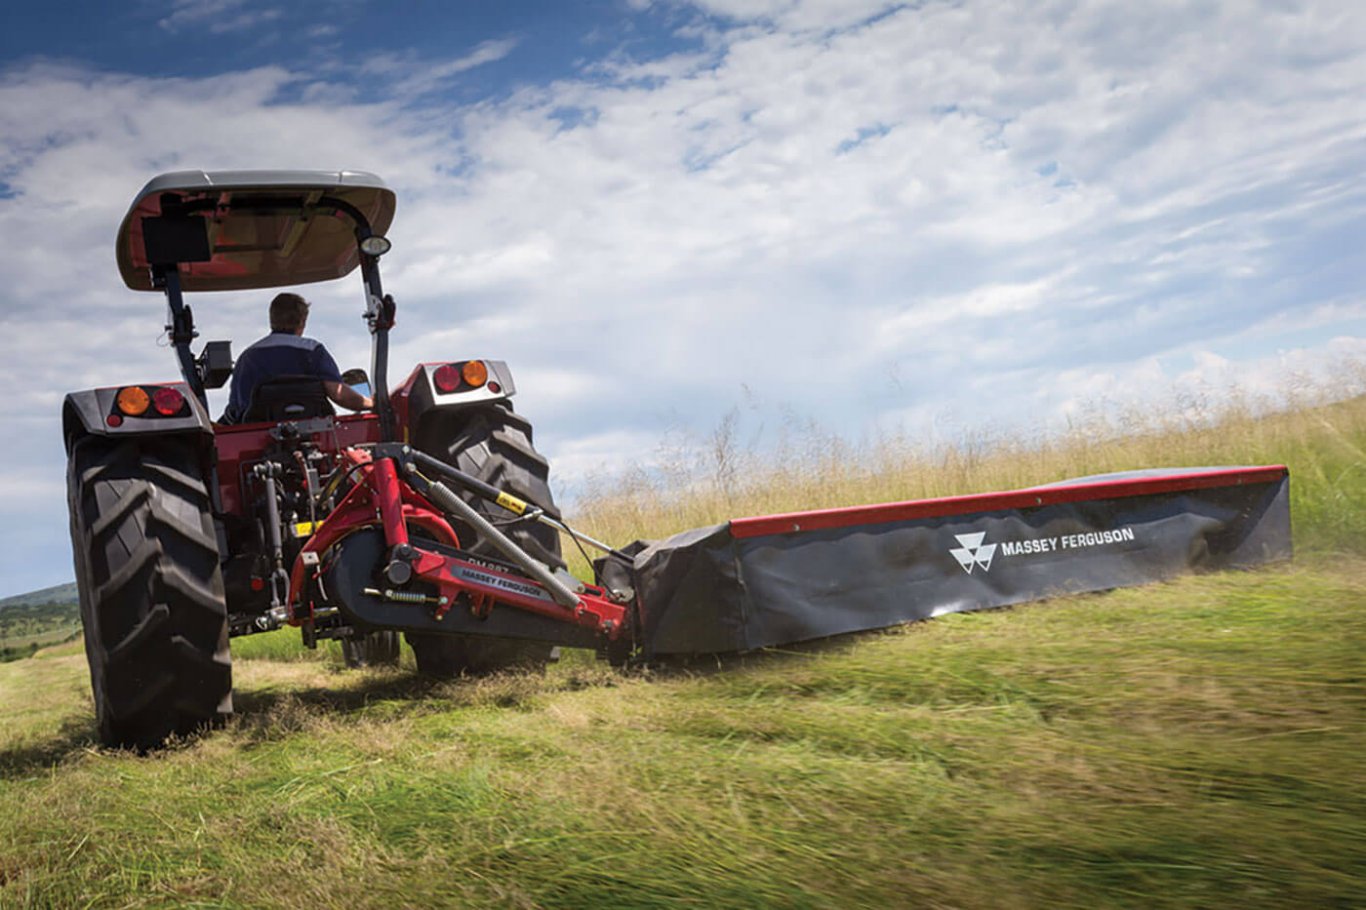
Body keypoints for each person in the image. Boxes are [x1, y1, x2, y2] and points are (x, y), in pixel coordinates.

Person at [222, 292, 373, 423]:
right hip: (316, 434)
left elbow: (238, 410)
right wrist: (372, 403)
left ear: (272, 319)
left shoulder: (248, 358)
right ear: (302, 321)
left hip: (258, 440)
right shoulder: (313, 351)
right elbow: (338, 394)